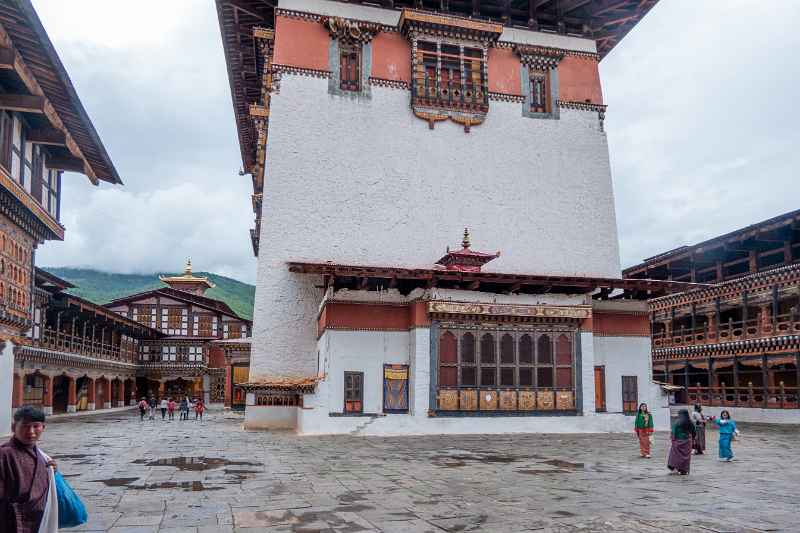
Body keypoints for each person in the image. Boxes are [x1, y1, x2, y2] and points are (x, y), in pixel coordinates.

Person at [0, 405, 58, 533]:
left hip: (38, 520)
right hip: (10, 522)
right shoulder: (4, 454)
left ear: (43, 427)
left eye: (36, 426)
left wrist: (51, 472)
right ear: (14, 427)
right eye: (25, 426)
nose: (31, 431)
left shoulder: (42, 456)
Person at [667, 409, 696, 475]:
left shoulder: (677, 422)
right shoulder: (690, 422)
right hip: (687, 442)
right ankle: (684, 470)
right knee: (686, 457)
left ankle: (675, 468)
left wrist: (673, 440)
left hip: (678, 441)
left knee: (675, 456)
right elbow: (694, 432)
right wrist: (693, 439)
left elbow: (674, 432)